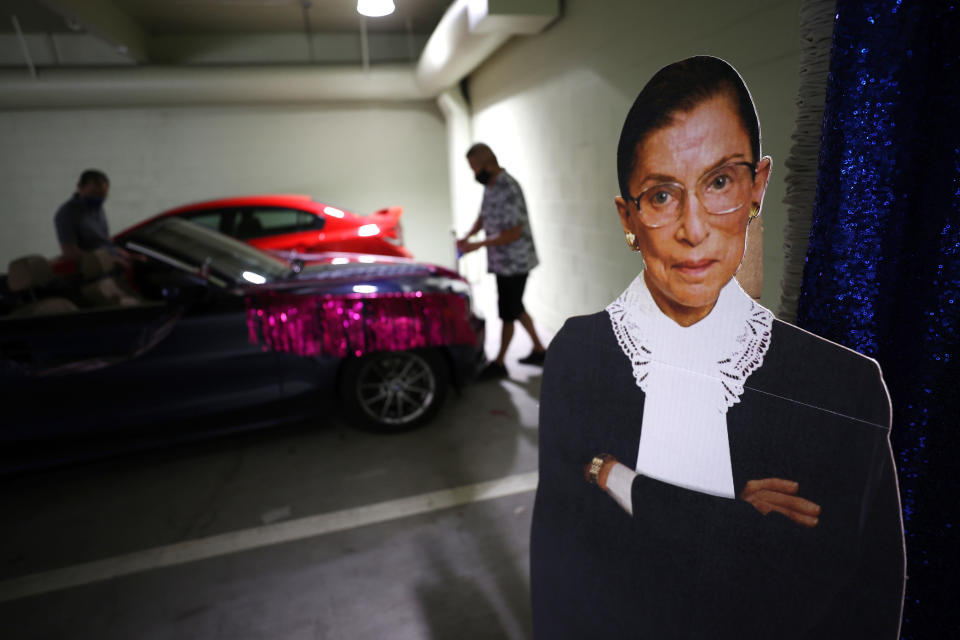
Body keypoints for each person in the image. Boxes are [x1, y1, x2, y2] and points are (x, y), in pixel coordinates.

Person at [530, 56, 905, 638]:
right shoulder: (579, 356)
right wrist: (733, 517)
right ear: (627, 217)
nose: (694, 227)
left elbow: (842, 601)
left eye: (720, 182)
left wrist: (611, 475)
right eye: (660, 196)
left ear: (757, 187)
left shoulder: (842, 388)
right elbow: (562, 577)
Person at [458, 143, 547, 379]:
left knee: (507, 312)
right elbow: (484, 216)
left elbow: (513, 233)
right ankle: (540, 350)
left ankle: (499, 363)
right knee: (515, 306)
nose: (475, 174)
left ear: (488, 164)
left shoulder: (509, 187)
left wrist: (477, 245)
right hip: (502, 262)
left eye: (475, 168)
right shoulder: (491, 186)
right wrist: (468, 235)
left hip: (516, 263)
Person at [54, 169, 132, 265]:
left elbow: (104, 242)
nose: (98, 199)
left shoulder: (98, 209)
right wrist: (109, 260)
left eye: (102, 195)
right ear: (80, 187)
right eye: (93, 193)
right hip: (93, 270)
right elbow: (70, 253)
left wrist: (124, 254)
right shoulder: (67, 213)